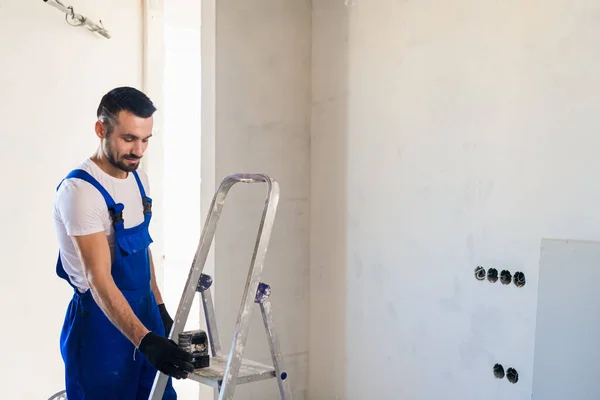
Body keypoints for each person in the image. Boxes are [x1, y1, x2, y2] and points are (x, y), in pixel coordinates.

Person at [53, 87, 194, 399]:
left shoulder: (138, 177)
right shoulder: (80, 191)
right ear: (101, 129)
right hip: (100, 325)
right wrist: (144, 340)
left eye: (145, 140)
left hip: (144, 312)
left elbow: (142, 250)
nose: (138, 149)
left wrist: (159, 308)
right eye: (128, 138)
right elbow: (98, 279)